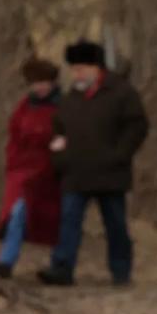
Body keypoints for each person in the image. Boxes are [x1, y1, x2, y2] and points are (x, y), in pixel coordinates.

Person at [37, 39, 149, 286]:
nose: (76, 74)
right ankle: (62, 268)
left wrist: (120, 154)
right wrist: (60, 159)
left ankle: (121, 271)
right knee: (69, 221)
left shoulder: (122, 93)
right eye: (74, 69)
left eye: (80, 69)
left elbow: (137, 127)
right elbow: (58, 132)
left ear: (95, 67)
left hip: (110, 172)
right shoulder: (70, 99)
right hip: (75, 172)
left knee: (115, 224)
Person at [0, 57, 62, 279]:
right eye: (35, 83)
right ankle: (6, 260)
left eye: (44, 82)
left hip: (48, 172)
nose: (40, 87)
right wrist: (12, 162)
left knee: (54, 219)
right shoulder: (24, 106)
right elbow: (14, 135)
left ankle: (58, 265)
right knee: (17, 213)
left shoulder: (62, 106)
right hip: (21, 170)